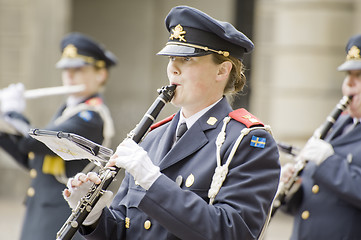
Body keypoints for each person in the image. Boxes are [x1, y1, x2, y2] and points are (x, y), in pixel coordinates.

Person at [63, 6, 280, 240]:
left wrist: (153, 182)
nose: (173, 69)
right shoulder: (151, 137)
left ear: (222, 71)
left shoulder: (245, 142)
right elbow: (125, 231)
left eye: (186, 59)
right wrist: (93, 218)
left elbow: (234, 233)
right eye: (171, 58)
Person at [0, 32, 117, 240]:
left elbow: (33, 142)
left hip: (62, 219)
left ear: (100, 74)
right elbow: (33, 159)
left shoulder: (90, 116)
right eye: (66, 69)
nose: (69, 75)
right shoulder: (66, 110)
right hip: (40, 216)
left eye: (78, 69)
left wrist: (12, 114)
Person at [279, 34, 361, 239]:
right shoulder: (339, 124)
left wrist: (328, 162)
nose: (349, 84)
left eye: (359, 76)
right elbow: (316, 197)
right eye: (347, 75)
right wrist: (291, 190)